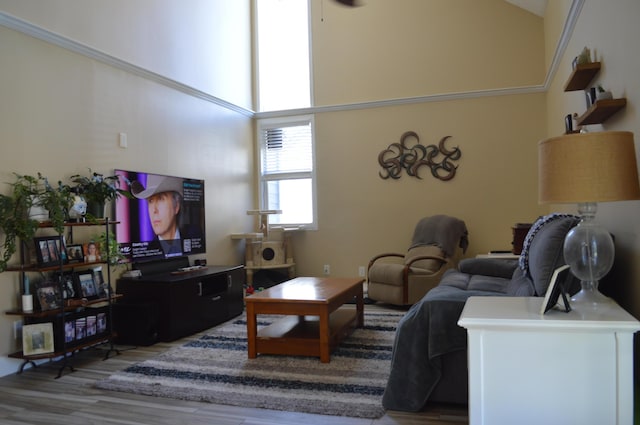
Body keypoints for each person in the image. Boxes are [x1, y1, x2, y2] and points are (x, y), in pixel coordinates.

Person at [131, 175, 186, 257]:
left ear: (176, 206)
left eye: (161, 199)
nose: (154, 210)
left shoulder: (195, 235)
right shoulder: (147, 254)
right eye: (151, 201)